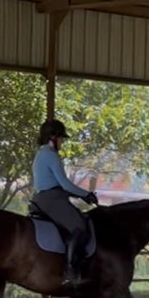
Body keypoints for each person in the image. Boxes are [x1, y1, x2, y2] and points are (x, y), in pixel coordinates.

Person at [31, 119, 98, 288]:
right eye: (61, 138)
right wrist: (86, 194)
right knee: (79, 226)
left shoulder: (41, 153)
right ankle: (70, 271)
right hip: (52, 200)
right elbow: (65, 183)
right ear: (52, 137)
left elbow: (56, 184)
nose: (62, 142)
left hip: (46, 197)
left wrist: (81, 196)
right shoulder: (51, 155)